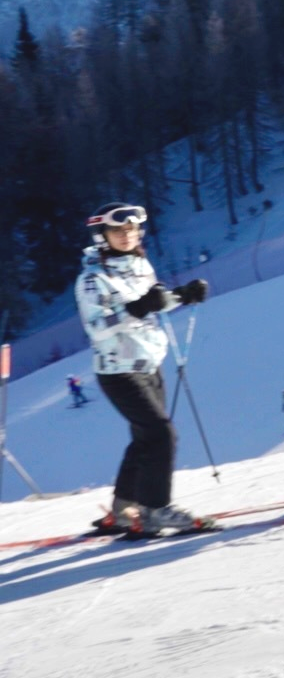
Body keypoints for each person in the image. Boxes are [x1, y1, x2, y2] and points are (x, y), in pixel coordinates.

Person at [75, 203, 214, 534]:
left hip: (149, 364)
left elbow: (152, 304)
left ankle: (123, 510)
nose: (126, 235)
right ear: (102, 236)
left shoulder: (139, 266)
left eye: (132, 229)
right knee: (162, 434)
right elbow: (97, 327)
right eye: (117, 230)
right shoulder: (92, 279)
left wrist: (182, 296)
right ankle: (155, 510)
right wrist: (136, 308)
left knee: (145, 438)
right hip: (118, 370)